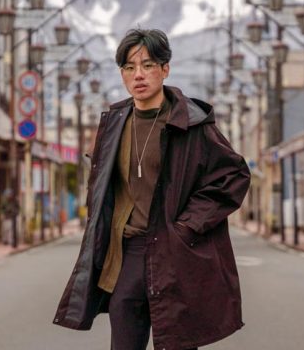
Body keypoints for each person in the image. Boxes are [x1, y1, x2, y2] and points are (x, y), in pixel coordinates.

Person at [54, 28, 250, 350]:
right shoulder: (114, 123)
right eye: (129, 67)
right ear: (122, 74)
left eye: (147, 65)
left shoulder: (191, 124)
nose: (138, 75)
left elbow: (234, 175)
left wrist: (188, 225)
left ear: (165, 69)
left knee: (177, 341)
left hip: (175, 252)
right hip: (128, 253)